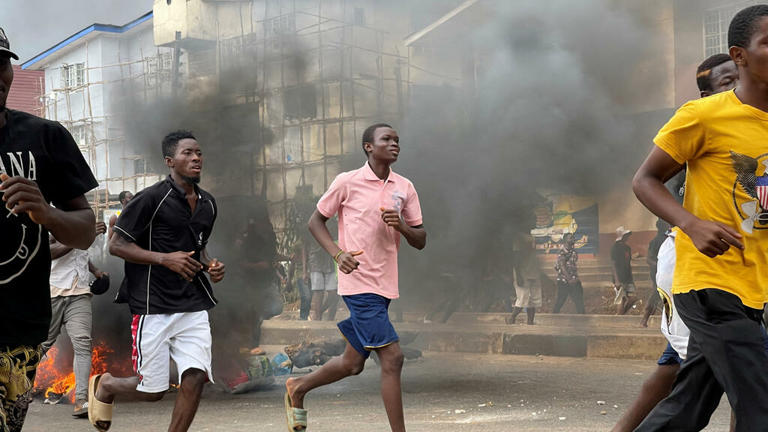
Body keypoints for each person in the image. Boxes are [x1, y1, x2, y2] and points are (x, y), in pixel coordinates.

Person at [632, 6, 768, 430]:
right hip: (708, 284)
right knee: (761, 401)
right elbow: (646, 180)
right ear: (740, 55)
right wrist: (692, 223)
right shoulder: (704, 116)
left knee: (687, 406)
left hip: (753, 288)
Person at [611, 51, 739, 432]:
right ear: (706, 95)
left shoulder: (750, 125)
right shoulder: (704, 126)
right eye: (726, 80)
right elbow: (646, 180)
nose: (738, 85)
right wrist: (691, 224)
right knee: (744, 377)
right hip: (697, 263)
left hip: (735, 270)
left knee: (672, 371)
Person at [284, 123, 426, 432]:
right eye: (386, 139)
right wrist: (337, 253)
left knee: (352, 363)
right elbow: (315, 221)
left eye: (397, 140)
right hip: (358, 283)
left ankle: (298, 386)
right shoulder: (347, 182)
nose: (394, 144)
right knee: (393, 358)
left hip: (385, 285)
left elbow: (421, 238)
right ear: (368, 146)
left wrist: (401, 226)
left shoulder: (405, 187)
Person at [89, 130, 225, 432]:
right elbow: (117, 245)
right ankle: (108, 385)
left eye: (198, 153)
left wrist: (210, 265)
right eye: (187, 153)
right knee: (153, 391)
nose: (196, 158)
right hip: (153, 304)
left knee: (195, 376)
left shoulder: (208, 203)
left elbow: (199, 246)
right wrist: (165, 258)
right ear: (169, 161)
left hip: (193, 303)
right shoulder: (150, 198)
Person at [0, 27, 98, 432]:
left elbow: (86, 230)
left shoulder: (45, 137)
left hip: (19, 330)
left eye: (1, 61)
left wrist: (48, 213)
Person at [42, 221, 109, 418]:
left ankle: (81, 400)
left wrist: (96, 271)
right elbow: (49, 252)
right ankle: (16, 388)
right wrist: (83, 237)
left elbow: (80, 254)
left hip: (80, 293)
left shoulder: (82, 218)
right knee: (42, 344)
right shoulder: (51, 217)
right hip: (54, 292)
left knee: (83, 343)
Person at [306, 216, 339, 321]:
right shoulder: (312, 224)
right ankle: (318, 318)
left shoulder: (334, 225)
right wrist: (305, 269)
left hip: (330, 261)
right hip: (315, 261)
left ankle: (320, 312)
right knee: (318, 291)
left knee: (333, 293)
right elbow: (305, 247)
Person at [639, 219, 670, 327]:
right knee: (657, 295)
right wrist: (661, 266)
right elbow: (649, 259)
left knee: (660, 296)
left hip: (665, 273)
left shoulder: (668, 238)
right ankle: (644, 320)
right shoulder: (658, 240)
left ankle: (646, 320)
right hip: (660, 273)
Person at [508, 233, 542, 324]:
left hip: (533, 272)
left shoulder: (532, 237)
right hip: (523, 274)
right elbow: (516, 259)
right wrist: (518, 275)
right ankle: (511, 318)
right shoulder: (519, 239)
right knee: (522, 298)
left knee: (532, 301)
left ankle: (530, 321)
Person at [553, 233, 585, 314]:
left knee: (579, 301)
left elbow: (573, 265)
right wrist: (569, 279)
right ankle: (553, 317)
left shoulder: (574, 252)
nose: (573, 239)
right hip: (564, 281)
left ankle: (582, 318)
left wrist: (575, 279)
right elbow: (562, 266)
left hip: (574, 280)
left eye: (573, 238)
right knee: (560, 300)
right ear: (565, 240)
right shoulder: (562, 252)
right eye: (570, 238)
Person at [611, 226, 636, 315]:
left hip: (628, 277)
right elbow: (613, 264)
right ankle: (620, 317)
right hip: (619, 278)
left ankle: (620, 315)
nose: (628, 237)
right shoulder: (615, 248)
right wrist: (617, 280)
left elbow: (628, 263)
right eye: (626, 235)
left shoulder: (627, 248)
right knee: (621, 299)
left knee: (633, 298)